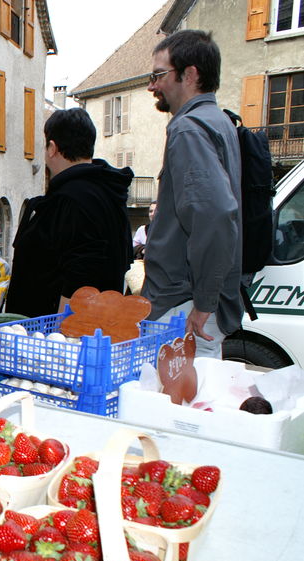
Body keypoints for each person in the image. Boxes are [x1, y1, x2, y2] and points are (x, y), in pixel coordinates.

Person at [141, 30, 242, 358]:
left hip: (183, 309)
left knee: (171, 407)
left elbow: (214, 214)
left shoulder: (188, 129)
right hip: (194, 305)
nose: (152, 85)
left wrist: (203, 303)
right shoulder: (220, 122)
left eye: (159, 74)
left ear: (190, 74)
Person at [5, 108, 134, 318]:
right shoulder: (107, 193)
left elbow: (80, 274)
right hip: (98, 323)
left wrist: (61, 333)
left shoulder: (72, 198)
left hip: (53, 335)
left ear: (52, 148)